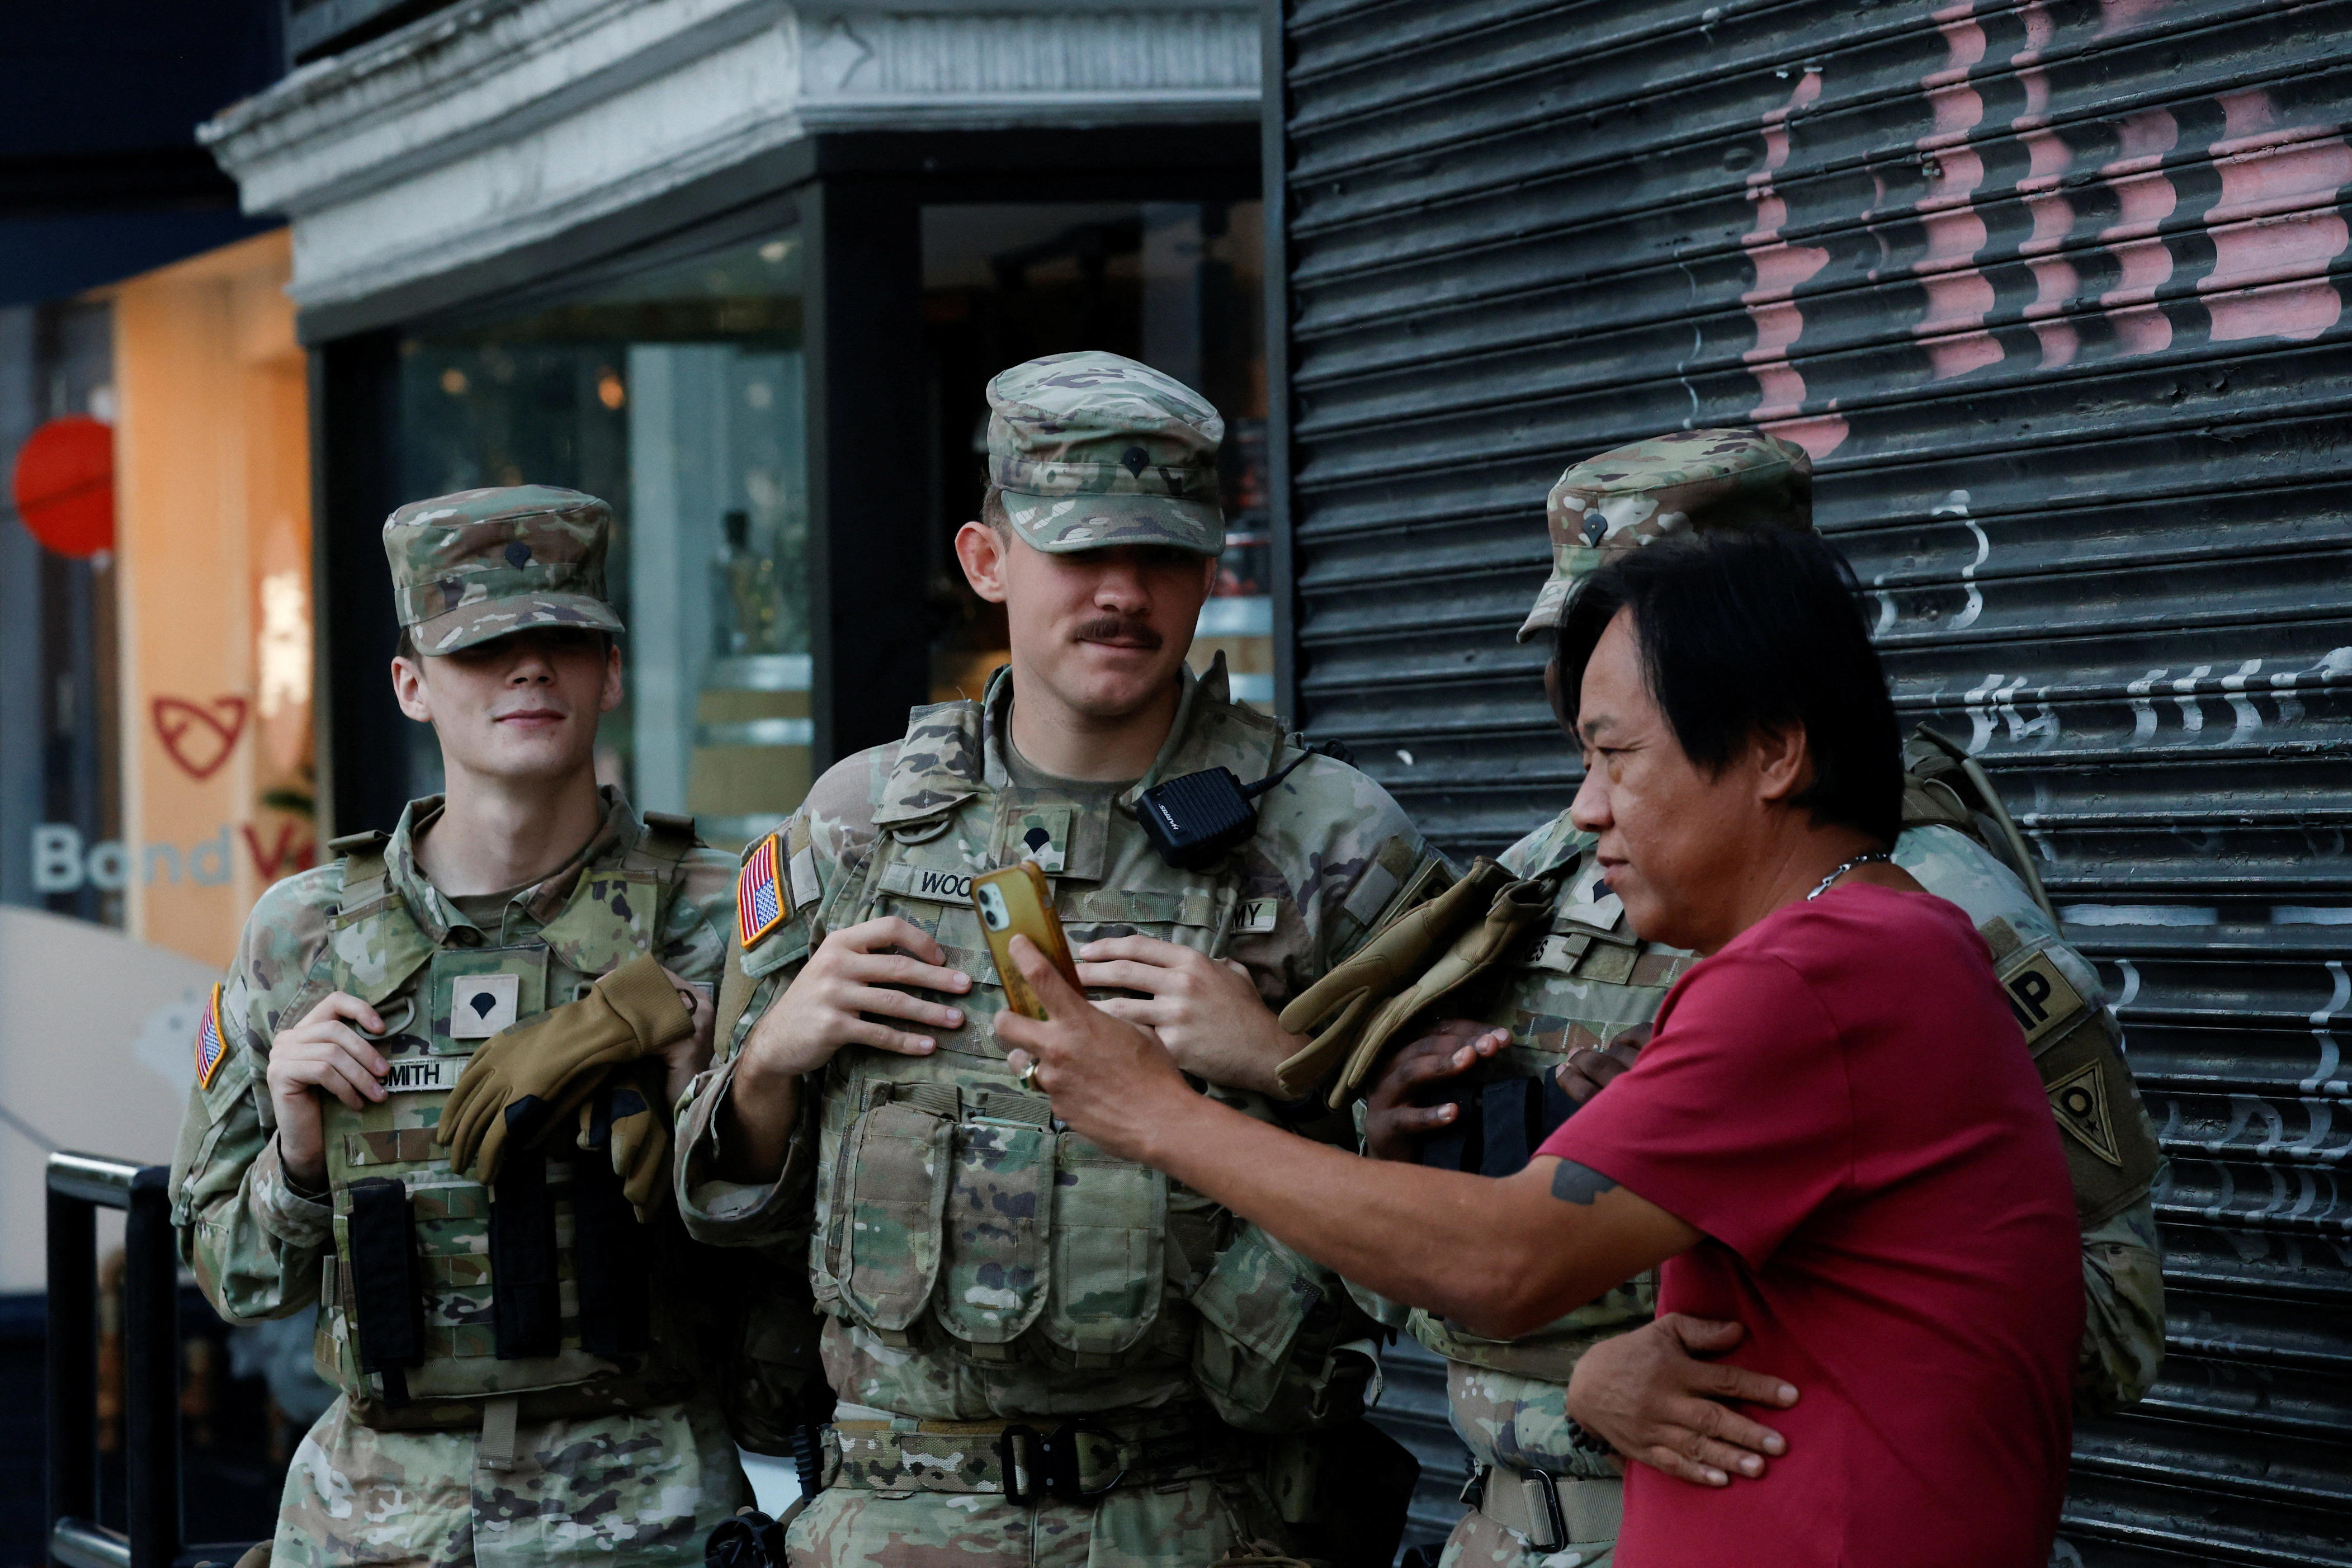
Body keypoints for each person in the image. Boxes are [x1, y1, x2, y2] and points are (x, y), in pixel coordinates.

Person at [998, 525, 2091, 1568]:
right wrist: (1605, 1362)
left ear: (1773, 750)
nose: (1585, 812)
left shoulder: (1819, 972)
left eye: (1615, 756)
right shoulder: (1860, 948)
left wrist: (1159, 1113)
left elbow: (1503, 1263)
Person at [673, 351, 1445, 1566]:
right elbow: (730, 1224)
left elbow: (1459, 1212)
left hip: (1196, 1516)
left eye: (1166, 558)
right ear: (988, 560)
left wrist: (1288, 1063)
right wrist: (770, 1063)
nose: (1123, 594)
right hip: (887, 1518)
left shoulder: (1332, 842)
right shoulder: (857, 824)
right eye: (1083, 553)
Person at [1339, 432, 2165, 1567]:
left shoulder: (1928, 913)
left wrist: (1663, 1273)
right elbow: (1438, 1243)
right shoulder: (1540, 877)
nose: (1583, 673)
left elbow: (2105, 1318)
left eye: (1650, 624)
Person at [168, 486, 752, 1567]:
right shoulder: (302, 936)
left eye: (563, 640)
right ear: (410, 686)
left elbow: (800, 1250)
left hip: (644, 1515)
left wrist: (697, 1084)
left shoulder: (719, 917)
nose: (528, 670)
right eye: (483, 649)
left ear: (610, 673)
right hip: (372, 1518)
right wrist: (298, 1158)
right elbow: (235, 1280)